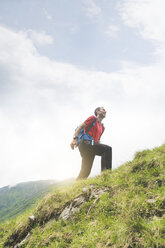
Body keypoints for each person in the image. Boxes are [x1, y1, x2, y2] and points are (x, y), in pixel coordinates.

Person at [70, 107, 112, 180]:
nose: (105, 111)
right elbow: (80, 127)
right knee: (107, 149)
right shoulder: (93, 118)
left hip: (92, 146)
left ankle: (75, 188)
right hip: (85, 143)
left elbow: (98, 140)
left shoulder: (102, 127)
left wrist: (99, 144)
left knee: (86, 171)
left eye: (105, 110)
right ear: (97, 111)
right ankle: (106, 176)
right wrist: (74, 139)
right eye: (103, 109)